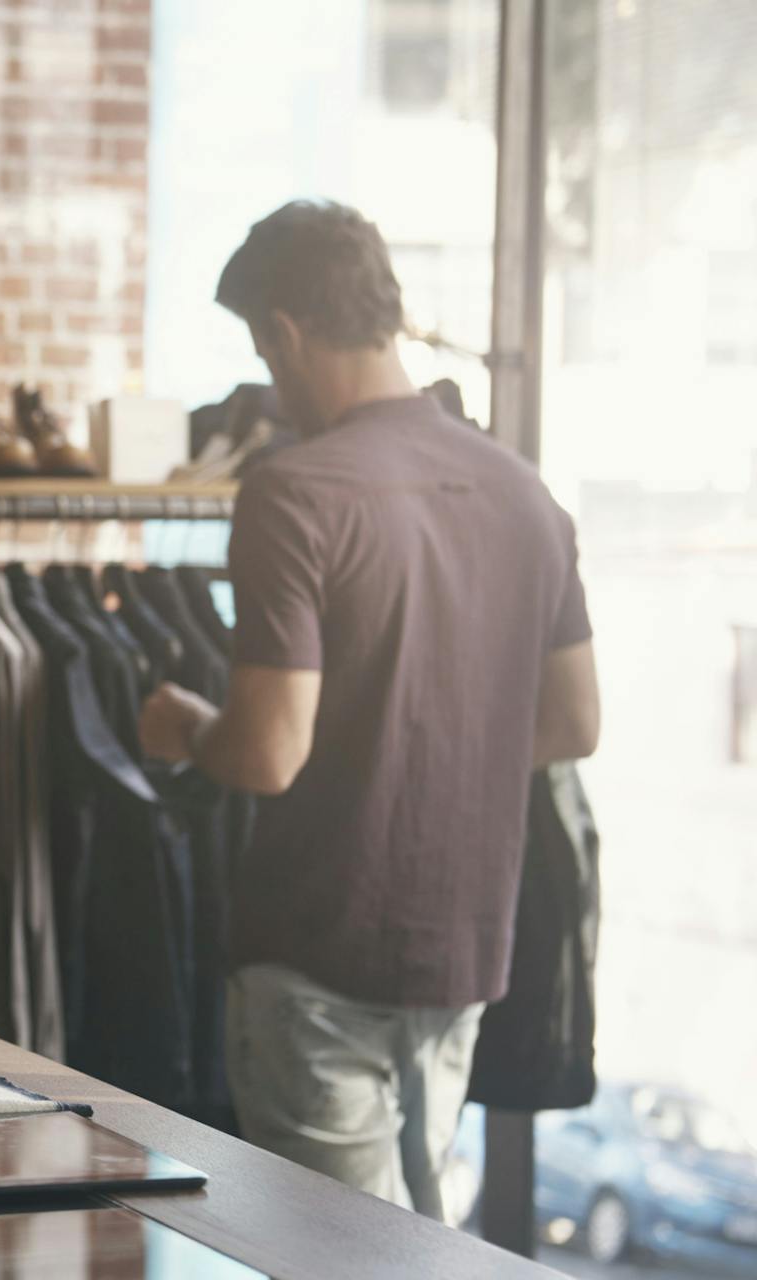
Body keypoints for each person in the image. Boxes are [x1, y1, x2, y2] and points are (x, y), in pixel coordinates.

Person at [138, 200, 600, 1218]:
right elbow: (575, 724)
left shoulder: (294, 491)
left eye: (263, 346)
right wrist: (435, 746)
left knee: (342, 1259)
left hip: (318, 951)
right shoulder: (528, 494)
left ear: (285, 330)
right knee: (420, 1243)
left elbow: (265, 751)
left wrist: (183, 724)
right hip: (464, 950)